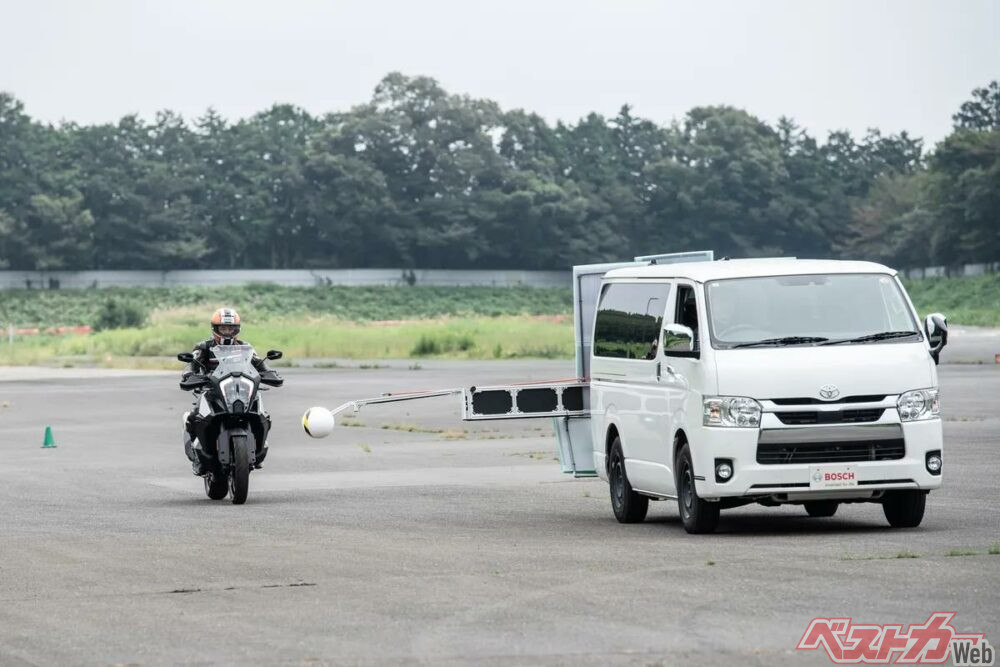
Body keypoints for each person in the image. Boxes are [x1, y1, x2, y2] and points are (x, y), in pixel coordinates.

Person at [182, 308, 282, 474]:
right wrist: (189, 375)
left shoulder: (245, 347)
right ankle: (198, 457)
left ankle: (258, 449)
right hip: (212, 391)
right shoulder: (204, 347)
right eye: (223, 328)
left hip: (241, 390)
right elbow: (190, 365)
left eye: (231, 329)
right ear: (215, 328)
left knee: (263, 415)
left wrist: (270, 374)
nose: (227, 332)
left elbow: (260, 365)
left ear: (237, 329)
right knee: (194, 417)